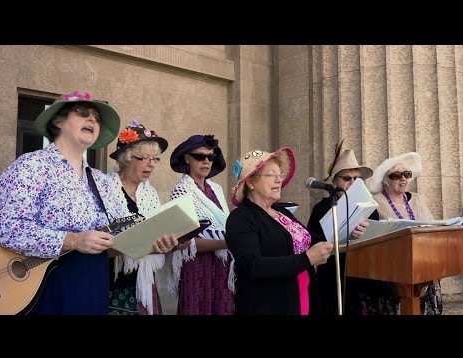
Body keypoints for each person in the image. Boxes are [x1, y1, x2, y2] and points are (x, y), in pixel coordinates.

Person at [0, 90, 177, 315]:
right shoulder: (30, 166)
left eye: (97, 118)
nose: (92, 119)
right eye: (83, 113)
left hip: (92, 285)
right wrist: (73, 240)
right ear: (58, 121)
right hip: (44, 287)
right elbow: (9, 229)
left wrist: (153, 243)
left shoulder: (100, 181)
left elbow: (120, 236)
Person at [225, 147, 333, 315]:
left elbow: (313, 240)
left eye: (280, 175)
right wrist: (306, 259)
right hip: (269, 304)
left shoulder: (282, 212)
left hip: (303, 296)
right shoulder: (240, 218)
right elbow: (252, 266)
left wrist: (347, 230)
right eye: (271, 175)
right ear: (250, 182)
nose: (278, 180)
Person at [307, 146, 400, 315]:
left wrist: (367, 230)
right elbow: (310, 241)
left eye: (356, 178)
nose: (352, 182)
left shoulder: (369, 206)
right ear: (334, 180)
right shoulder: (321, 209)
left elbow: (378, 240)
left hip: (363, 275)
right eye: (346, 178)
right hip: (333, 275)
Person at [106, 119, 170, 315]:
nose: (151, 165)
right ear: (126, 158)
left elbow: (155, 234)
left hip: (143, 283)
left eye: (155, 159)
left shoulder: (150, 193)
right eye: (144, 158)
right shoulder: (105, 189)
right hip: (112, 284)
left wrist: (169, 242)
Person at [367, 152, 443, 315]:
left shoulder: (417, 199)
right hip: (392, 269)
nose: (403, 179)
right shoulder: (376, 202)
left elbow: (432, 226)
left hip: (423, 264)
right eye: (396, 175)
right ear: (385, 180)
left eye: (407, 174)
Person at [168, 134, 234, 315]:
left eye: (210, 157)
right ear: (187, 158)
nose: (206, 161)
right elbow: (188, 240)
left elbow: (223, 227)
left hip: (222, 265)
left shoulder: (217, 189)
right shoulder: (181, 190)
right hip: (196, 266)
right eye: (200, 156)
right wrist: (227, 242)